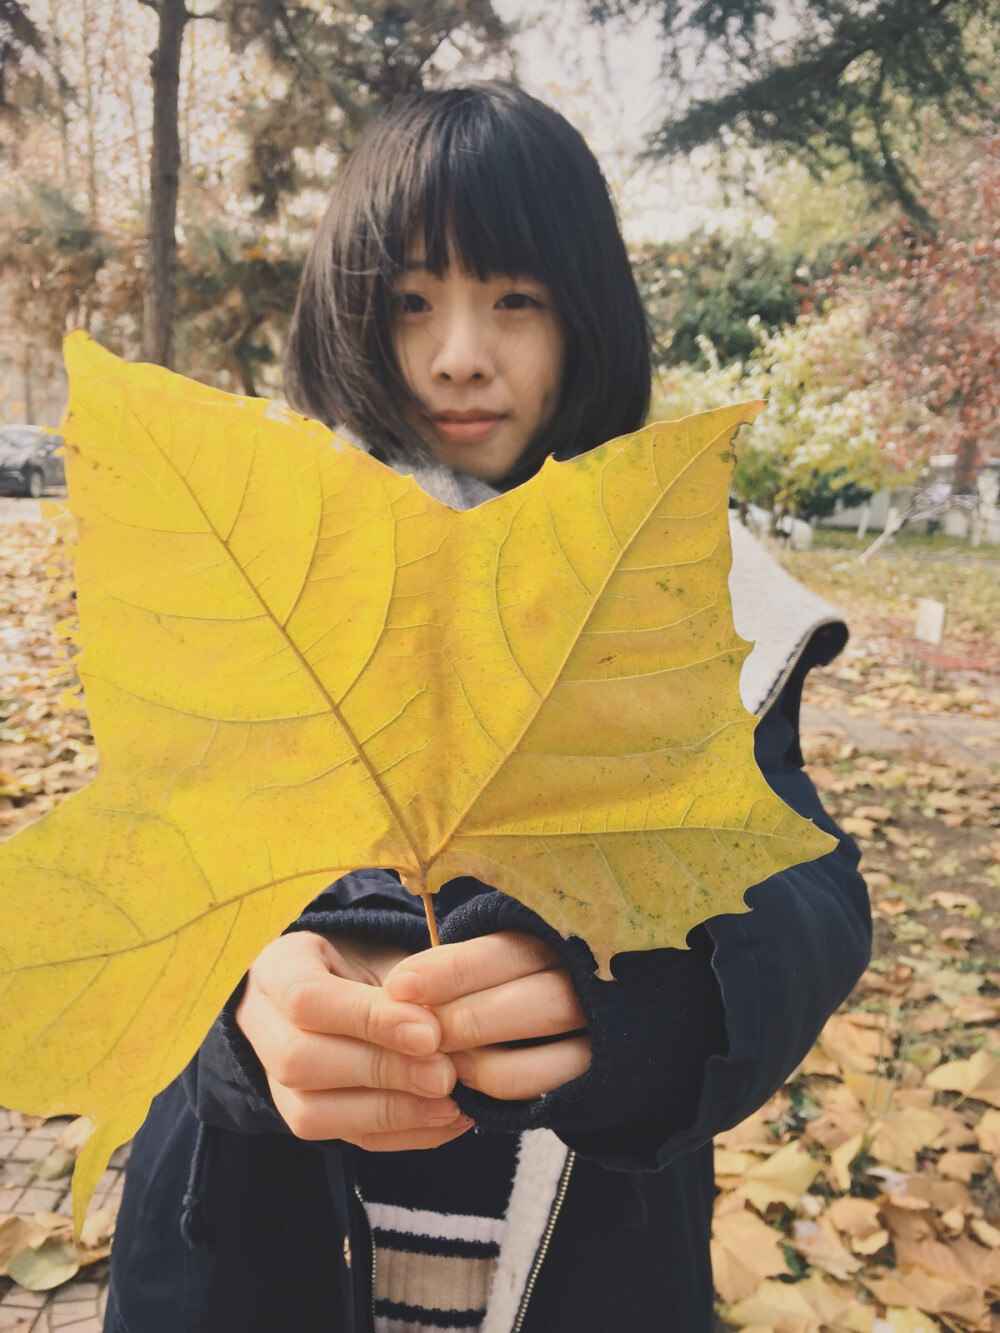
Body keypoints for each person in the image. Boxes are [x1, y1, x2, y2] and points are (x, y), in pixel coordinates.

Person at [104, 83, 870, 1333]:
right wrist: (243, 1020)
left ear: (586, 314)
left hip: (586, 1265)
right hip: (250, 1251)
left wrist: (649, 1006)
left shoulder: (690, 592)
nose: (459, 350)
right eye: (411, 301)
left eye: (514, 297)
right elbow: (143, 886)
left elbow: (805, 890)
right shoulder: (255, 579)